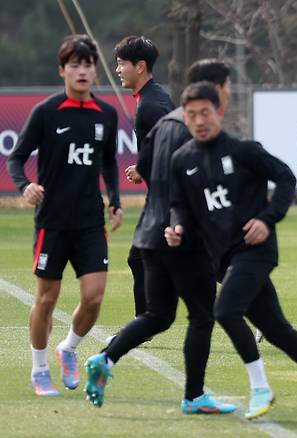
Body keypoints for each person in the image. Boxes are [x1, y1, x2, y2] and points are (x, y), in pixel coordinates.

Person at [165, 82, 297, 419]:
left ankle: (260, 387)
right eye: (191, 115)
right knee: (277, 329)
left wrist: (267, 219)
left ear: (219, 112)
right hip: (221, 258)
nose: (199, 120)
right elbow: (178, 204)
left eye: (205, 113)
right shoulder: (182, 160)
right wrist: (177, 226)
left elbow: (285, 178)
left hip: (255, 250)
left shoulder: (243, 149)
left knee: (225, 311)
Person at [83, 60, 236, 414]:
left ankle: (105, 360)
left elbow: (146, 167)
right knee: (201, 316)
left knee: (158, 315)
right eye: (225, 85)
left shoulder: (166, 122)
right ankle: (194, 397)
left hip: (149, 233)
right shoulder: (194, 127)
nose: (227, 91)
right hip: (177, 234)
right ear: (213, 87)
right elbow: (194, 181)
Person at [6, 34, 123, 396]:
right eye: (75, 65)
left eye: (88, 64)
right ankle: (39, 368)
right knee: (47, 299)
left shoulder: (106, 114)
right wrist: (25, 185)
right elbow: (15, 157)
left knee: (94, 297)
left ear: (94, 71)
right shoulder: (46, 112)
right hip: (52, 222)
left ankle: (68, 348)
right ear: (63, 70)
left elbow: (108, 163)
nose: (82, 71)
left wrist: (115, 201)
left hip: (90, 221)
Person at [114, 35, 175, 320]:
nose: (117, 70)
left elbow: (173, 149)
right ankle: (147, 320)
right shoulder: (153, 97)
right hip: (164, 194)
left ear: (140, 66)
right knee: (141, 258)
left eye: (121, 64)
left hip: (169, 196)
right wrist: (144, 166)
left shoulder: (150, 105)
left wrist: (142, 169)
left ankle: (147, 320)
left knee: (198, 263)